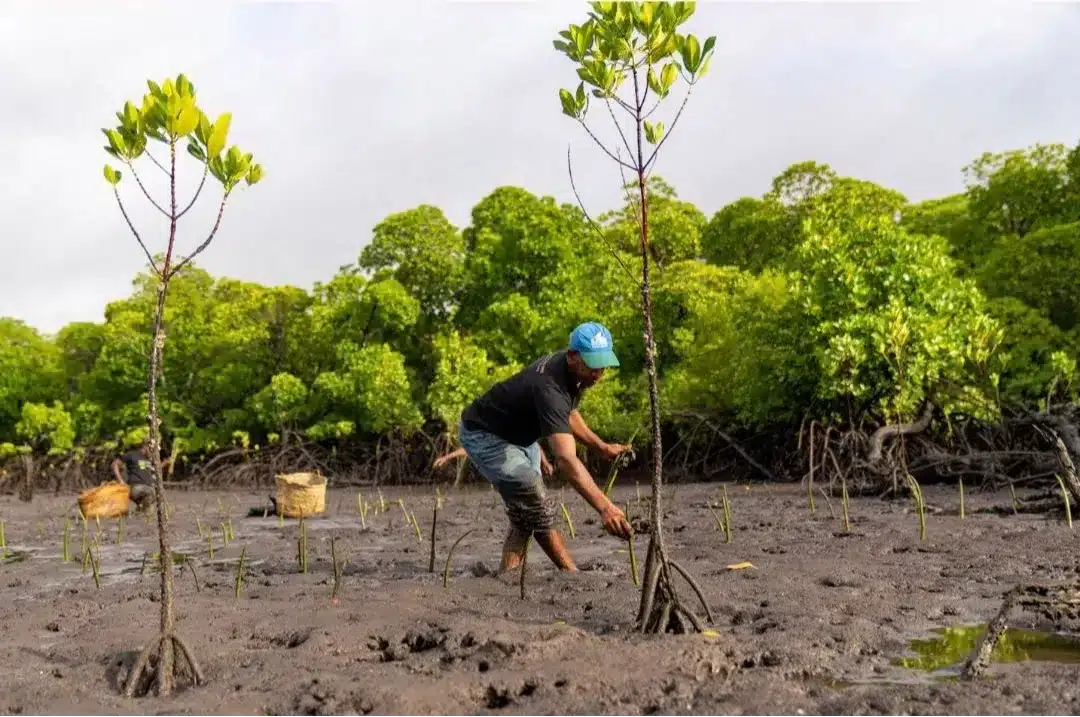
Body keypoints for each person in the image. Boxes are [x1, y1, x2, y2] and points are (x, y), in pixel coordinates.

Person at [449, 321, 634, 574]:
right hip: (485, 435)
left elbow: (567, 415)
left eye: (603, 364)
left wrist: (601, 447)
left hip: (521, 439)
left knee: (524, 511)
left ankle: (508, 576)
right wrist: (605, 508)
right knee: (534, 500)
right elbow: (566, 460)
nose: (598, 373)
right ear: (572, 357)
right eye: (592, 364)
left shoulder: (573, 375)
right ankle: (572, 574)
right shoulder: (550, 386)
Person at [111, 441, 156, 513]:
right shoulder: (132, 454)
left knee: (147, 513)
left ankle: (137, 512)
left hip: (146, 489)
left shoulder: (148, 458)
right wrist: (120, 481)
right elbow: (114, 464)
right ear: (145, 446)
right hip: (136, 487)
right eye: (152, 450)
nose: (154, 452)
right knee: (153, 492)